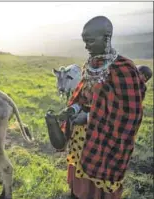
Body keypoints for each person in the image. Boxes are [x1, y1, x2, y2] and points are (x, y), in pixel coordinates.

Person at [57, 16, 146, 199]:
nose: (86, 46)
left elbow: (129, 116)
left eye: (90, 41)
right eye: (84, 41)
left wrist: (88, 118)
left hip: (107, 141)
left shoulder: (124, 69)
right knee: (80, 181)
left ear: (106, 38)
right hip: (82, 139)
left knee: (99, 187)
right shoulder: (90, 64)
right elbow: (83, 97)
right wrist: (73, 111)